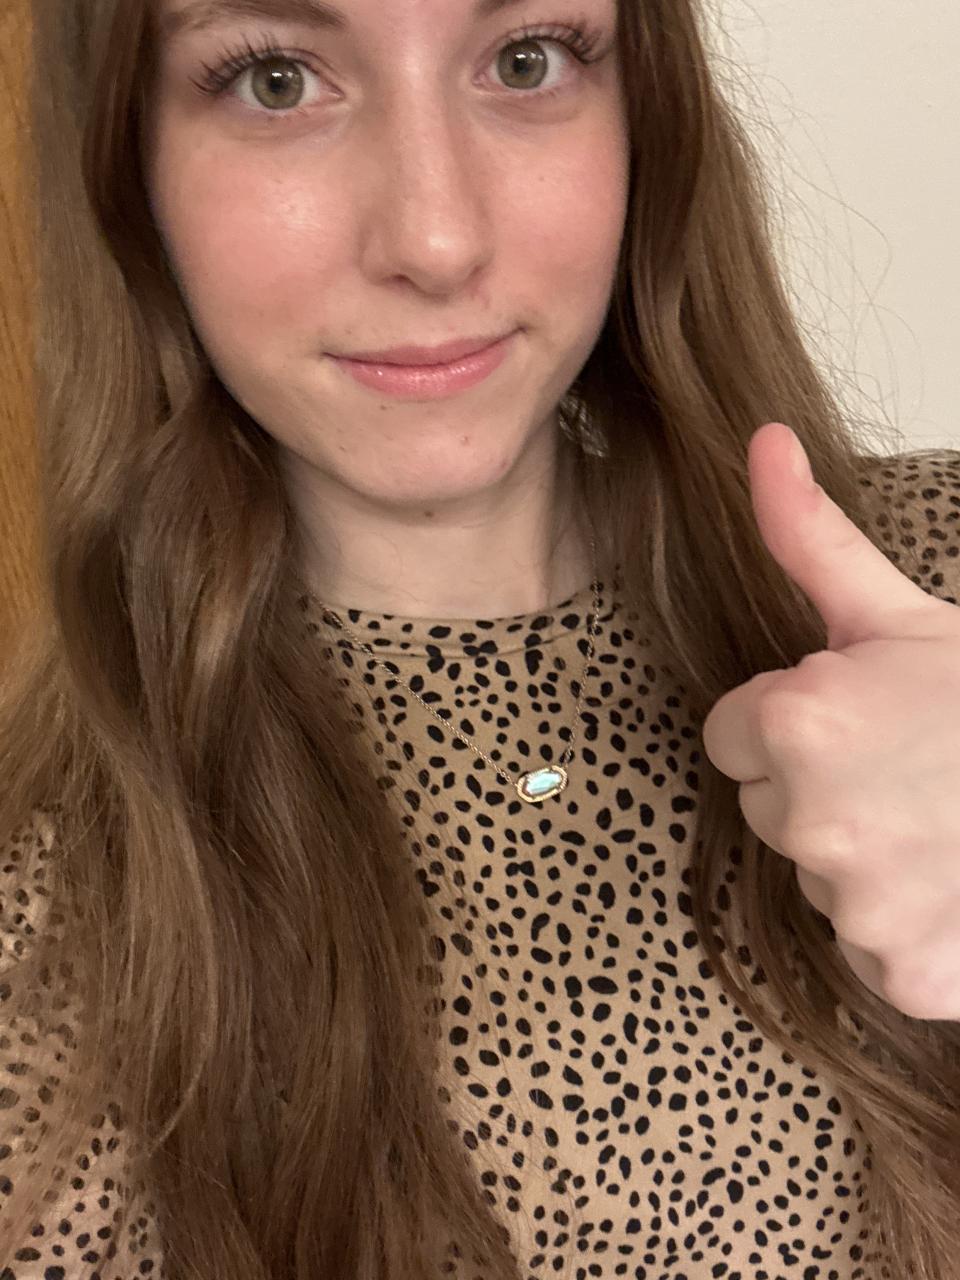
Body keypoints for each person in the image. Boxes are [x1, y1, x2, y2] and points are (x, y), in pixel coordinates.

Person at [1, 0, 958, 1275]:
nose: (437, 239)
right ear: (128, 164)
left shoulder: (936, 577)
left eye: (525, 60)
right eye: (277, 80)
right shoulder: (38, 917)